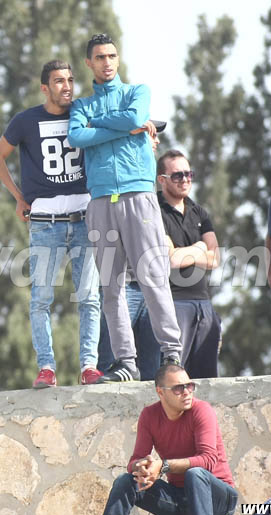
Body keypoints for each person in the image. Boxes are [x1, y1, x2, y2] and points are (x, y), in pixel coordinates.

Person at [68, 33, 182, 383]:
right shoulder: (82, 106)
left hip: (138, 195)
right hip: (101, 200)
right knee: (111, 286)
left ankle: (172, 352)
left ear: (118, 59)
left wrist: (101, 125)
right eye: (100, 57)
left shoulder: (137, 92)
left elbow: (134, 115)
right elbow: (76, 137)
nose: (107, 62)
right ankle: (126, 363)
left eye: (112, 56)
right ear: (89, 62)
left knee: (152, 275)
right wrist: (125, 127)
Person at [0, 59, 102, 388]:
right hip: (44, 222)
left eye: (69, 80)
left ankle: (89, 365)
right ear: (44, 87)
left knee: (89, 296)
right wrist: (17, 195)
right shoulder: (26, 120)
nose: (66, 86)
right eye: (58, 81)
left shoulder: (83, 113)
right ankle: (47, 368)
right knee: (40, 298)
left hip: (84, 218)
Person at [97, 363, 237, 515]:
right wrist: (142, 467)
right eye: (178, 388)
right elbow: (134, 461)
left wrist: (163, 466)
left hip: (219, 501)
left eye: (189, 386)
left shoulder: (201, 410)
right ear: (160, 392)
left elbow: (208, 460)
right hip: (180, 502)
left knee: (195, 474)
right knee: (125, 481)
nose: (186, 392)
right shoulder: (149, 415)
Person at [96, 121, 166, 380]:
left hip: (153, 289)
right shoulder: (109, 187)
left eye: (155, 135)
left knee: (154, 375)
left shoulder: (152, 192)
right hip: (122, 287)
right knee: (109, 366)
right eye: (149, 134)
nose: (155, 140)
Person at [157, 150, 221, 378]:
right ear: (162, 180)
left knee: (207, 379)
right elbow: (171, 259)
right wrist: (200, 248)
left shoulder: (198, 211)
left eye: (188, 174)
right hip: (174, 304)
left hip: (204, 304)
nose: (185, 180)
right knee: (174, 377)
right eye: (177, 176)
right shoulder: (155, 211)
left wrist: (190, 253)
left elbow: (215, 259)